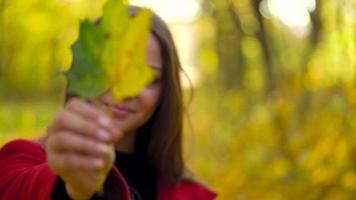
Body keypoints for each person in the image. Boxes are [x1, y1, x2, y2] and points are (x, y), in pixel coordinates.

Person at [0, 6, 217, 200]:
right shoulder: (20, 162)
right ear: (83, 74)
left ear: (165, 92)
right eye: (107, 69)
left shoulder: (190, 194)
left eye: (148, 79)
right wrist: (73, 187)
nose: (124, 93)